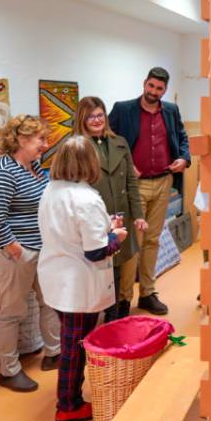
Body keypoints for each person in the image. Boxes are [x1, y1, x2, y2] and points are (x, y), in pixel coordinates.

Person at [37, 136, 128, 421]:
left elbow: (72, 231)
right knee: (74, 348)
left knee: (70, 342)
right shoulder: (87, 199)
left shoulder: (51, 190)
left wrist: (104, 228)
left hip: (56, 277)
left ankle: (69, 398)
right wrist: (117, 237)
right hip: (78, 285)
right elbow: (96, 251)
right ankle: (68, 406)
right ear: (91, 162)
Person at [0, 114, 61, 392]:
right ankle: (9, 371)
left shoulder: (35, 167)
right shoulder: (4, 171)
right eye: (40, 139)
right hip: (15, 253)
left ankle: (54, 353)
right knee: (12, 312)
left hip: (40, 248)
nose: (45, 144)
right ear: (21, 139)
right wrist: (14, 248)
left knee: (49, 301)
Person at [108, 67, 191, 315]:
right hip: (134, 186)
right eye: (151, 86)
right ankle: (124, 298)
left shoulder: (171, 110)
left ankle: (147, 293)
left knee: (153, 240)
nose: (154, 91)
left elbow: (182, 137)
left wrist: (184, 158)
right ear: (144, 83)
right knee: (132, 242)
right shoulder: (123, 109)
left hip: (164, 181)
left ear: (165, 90)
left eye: (159, 88)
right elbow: (108, 139)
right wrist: (125, 163)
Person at [73, 96, 148, 321]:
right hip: (94, 218)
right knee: (97, 270)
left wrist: (138, 215)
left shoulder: (120, 142)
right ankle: (93, 321)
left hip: (121, 216)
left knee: (117, 267)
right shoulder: (76, 147)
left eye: (100, 115)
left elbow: (131, 182)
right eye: (90, 117)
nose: (97, 120)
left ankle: (113, 319)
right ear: (82, 119)